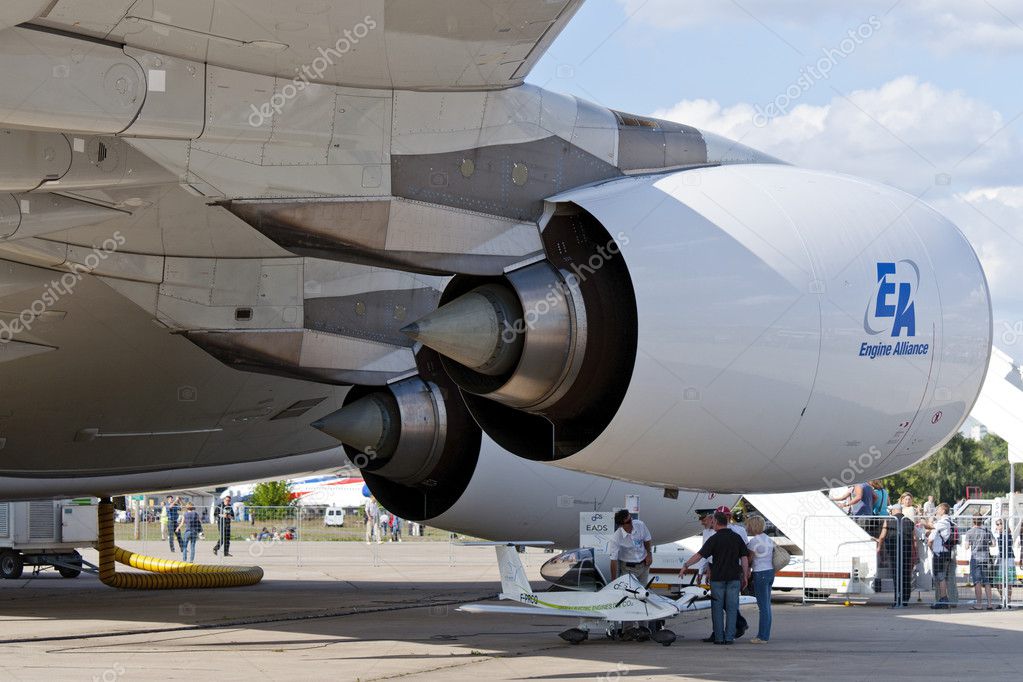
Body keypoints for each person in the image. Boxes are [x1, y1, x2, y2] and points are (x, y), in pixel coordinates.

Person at [681, 512, 749, 645]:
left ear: (717, 522)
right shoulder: (737, 538)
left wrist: (686, 565)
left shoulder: (713, 539)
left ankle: (718, 637)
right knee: (732, 608)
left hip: (717, 578)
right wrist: (745, 575)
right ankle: (729, 638)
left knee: (717, 609)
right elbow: (744, 558)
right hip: (734, 577)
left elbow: (700, 555)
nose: (711, 524)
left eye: (713, 522)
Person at [877, 503, 915, 606]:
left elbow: (882, 536)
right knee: (906, 575)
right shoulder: (909, 522)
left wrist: (879, 547)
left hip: (894, 552)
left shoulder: (889, 520)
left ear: (893, 511)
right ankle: (905, 599)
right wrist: (915, 553)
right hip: (906, 552)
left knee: (897, 576)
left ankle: (897, 600)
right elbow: (914, 538)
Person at [745, 514, 774, 643]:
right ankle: (765, 634)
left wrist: (745, 570)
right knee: (767, 605)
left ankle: (762, 636)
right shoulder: (768, 539)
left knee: (763, 606)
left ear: (753, 526)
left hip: (760, 573)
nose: (747, 527)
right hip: (769, 571)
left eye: (748, 525)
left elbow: (749, 559)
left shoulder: (754, 541)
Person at [608, 509, 653, 583]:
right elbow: (613, 560)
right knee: (630, 593)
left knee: (643, 591)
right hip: (628, 569)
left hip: (644, 566)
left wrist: (649, 554)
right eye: (628, 522)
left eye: (631, 518)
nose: (631, 522)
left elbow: (647, 539)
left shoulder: (640, 525)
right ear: (621, 525)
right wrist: (613, 581)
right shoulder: (616, 538)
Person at [964, 516, 995, 609]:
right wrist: (986, 543)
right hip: (985, 558)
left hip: (975, 558)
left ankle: (979, 604)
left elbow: (966, 546)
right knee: (987, 582)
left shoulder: (969, 532)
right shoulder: (987, 531)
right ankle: (989, 604)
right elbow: (994, 543)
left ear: (973, 521)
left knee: (977, 581)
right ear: (982, 521)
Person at [928, 503, 954, 608]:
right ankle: (943, 599)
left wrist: (925, 521)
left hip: (940, 552)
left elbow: (931, 527)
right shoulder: (950, 521)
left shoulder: (943, 522)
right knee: (941, 576)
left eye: (938, 509)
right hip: (945, 552)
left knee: (940, 576)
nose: (937, 510)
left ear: (943, 510)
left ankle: (944, 599)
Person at [993, 518, 1016, 607]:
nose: (998, 526)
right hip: (1003, 559)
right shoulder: (1001, 534)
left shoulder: (1006, 534)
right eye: (997, 524)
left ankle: (1007, 601)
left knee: (1007, 582)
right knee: (999, 582)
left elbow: (1006, 547)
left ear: (1004, 525)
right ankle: (1004, 600)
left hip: (1008, 559)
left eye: (999, 524)